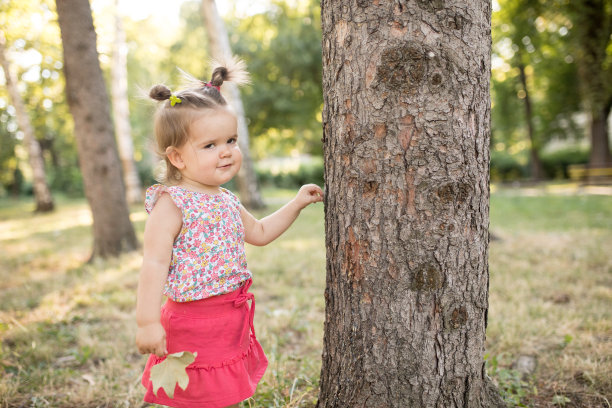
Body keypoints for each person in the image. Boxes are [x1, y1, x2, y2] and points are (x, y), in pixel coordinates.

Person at [135, 58, 323, 408]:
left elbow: (262, 231)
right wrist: (147, 322)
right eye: (209, 145)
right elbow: (154, 263)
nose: (226, 152)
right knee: (194, 395)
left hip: (229, 319)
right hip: (191, 322)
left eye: (231, 140)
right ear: (177, 157)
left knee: (222, 394)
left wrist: (296, 203)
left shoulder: (226, 200)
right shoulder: (171, 203)